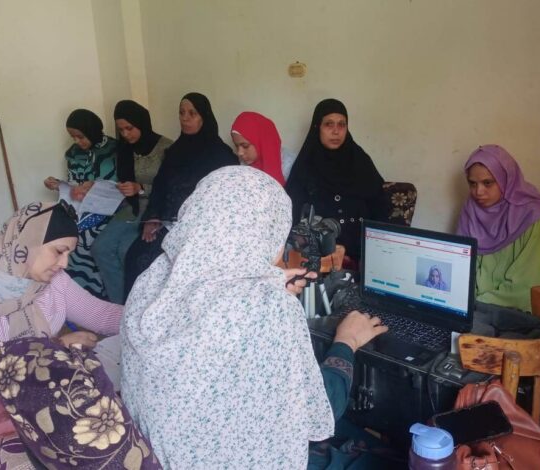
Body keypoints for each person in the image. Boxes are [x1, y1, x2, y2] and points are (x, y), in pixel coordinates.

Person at [120, 166, 388, 469]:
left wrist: (262, 283)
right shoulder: (268, 308)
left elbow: (211, 288)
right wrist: (347, 341)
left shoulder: (151, 280)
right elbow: (320, 409)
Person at [0, 201, 122, 390]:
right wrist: (59, 346)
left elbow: (101, 315)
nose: (64, 263)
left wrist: (142, 317)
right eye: (59, 251)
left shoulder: (52, 278)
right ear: (28, 242)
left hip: (29, 383)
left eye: (69, 254)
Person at [123, 93, 237, 298]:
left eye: (192, 113)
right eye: (181, 113)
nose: (185, 118)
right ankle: (137, 316)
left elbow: (225, 200)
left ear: (204, 117)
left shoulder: (222, 156)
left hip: (201, 230)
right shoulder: (175, 151)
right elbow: (160, 187)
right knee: (136, 258)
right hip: (167, 223)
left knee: (174, 270)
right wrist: (152, 218)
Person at [456, 145, 540, 312]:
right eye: (472, 183)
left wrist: (474, 304)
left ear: (505, 179)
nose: (478, 192)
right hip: (478, 306)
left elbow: (525, 286)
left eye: (487, 183)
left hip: (529, 306)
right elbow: (462, 266)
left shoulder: (534, 215)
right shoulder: (471, 209)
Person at [91, 100, 173, 304]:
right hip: (131, 207)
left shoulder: (167, 148)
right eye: (121, 130)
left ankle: (134, 305)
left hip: (155, 208)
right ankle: (119, 307)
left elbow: (172, 187)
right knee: (100, 248)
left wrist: (141, 188)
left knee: (125, 251)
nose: (126, 134)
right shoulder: (125, 149)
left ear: (141, 123)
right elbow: (122, 180)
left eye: (130, 128)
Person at [285, 99, 388, 263]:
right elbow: (292, 214)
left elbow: (381, 207)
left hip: (363, 252)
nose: (336, 131)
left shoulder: (360, 161)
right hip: (319, 254)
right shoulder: (305, 166)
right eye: (329, 124)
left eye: (342, 124)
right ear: (317, 127)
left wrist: (374, 251)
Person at [44, 109, 118, 299]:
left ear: (92, 131)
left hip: (108, 211)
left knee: (82, 236)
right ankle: (73, 295)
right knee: (58, 232)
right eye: (73, 137)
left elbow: (118, 187)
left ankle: (95, 295)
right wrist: (60, 185)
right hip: (80, 209)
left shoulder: (115, 150)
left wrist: (94, 186)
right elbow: (73, 183)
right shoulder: (73, 154)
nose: (77, 141)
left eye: (81, 136)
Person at [230, 111, 297, 185]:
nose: (240, 153)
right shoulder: (244, 163)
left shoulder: (289, 164)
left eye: (245, 146)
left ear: (261, 141)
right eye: (236, 146)